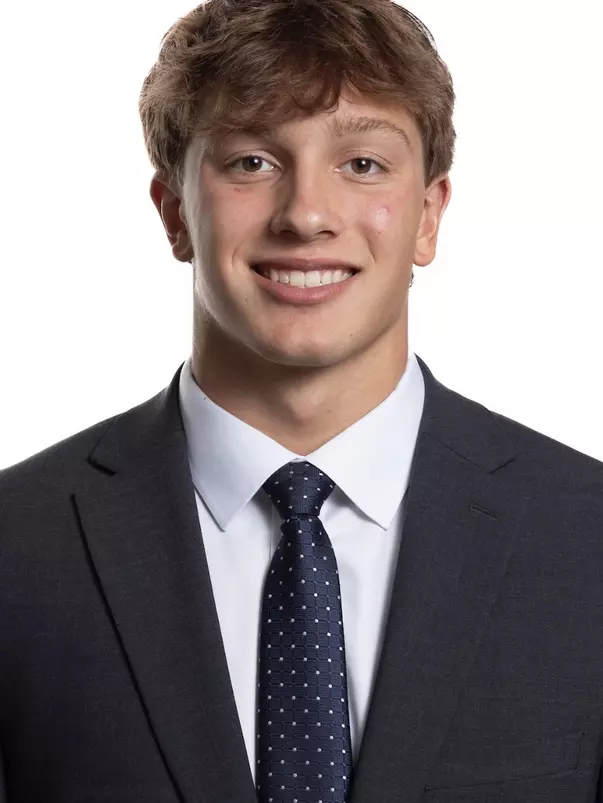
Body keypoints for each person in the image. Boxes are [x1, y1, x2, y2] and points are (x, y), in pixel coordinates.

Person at [1, 0, 602, 801]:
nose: (306, 214)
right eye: (251, 161)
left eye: (362, 164)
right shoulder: (18, 545)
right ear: (175, 214)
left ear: (428, 216)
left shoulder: (586, 536)